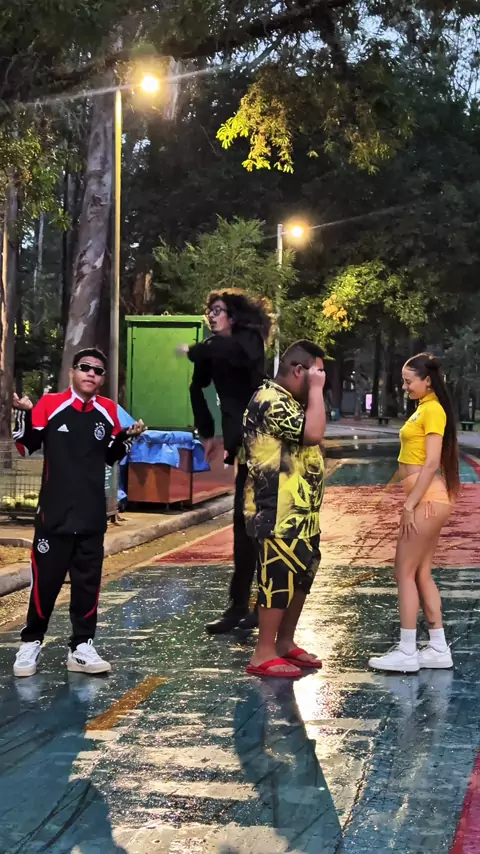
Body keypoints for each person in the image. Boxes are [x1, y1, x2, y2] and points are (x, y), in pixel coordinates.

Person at [12, 347, 146, 678]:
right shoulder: (50, 405)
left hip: (90, 516)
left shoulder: (108, 411)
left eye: (98, 371)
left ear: (102, 379)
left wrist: (127, 438)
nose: (91, 374)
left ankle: (81, 647)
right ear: (73, 371)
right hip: (54, 516)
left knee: (88, 585)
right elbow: (25, 445)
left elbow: (110, 456)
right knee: (45, 584)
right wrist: (23, 414)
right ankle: (31, 642)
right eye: (85, 367)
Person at [178, 289, 272, 635]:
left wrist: (196, 350)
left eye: (218, 310)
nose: (211, 316)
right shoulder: (212, 348)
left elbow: (237, 356)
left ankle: (265, 606)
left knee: (264, 528)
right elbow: (197, 387)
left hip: (267, 443)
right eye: (210, 310)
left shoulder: (249, 341)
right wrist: (206, 432)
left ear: (233, 316)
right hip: (242, 447)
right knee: (241, 528)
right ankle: (237, 607)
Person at [369, 352, 460, 673]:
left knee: (403, 572)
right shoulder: (424, 408)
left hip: (427, 502)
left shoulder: (432, 410)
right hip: (429, 500)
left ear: (428, 381)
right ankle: (437, 647)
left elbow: (432, 462)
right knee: (420, 572)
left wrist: (409, 505)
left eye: (409, 381)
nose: (405, 386)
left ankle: (407, 651)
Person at [242, 339, 326, 677]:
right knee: (277, 579)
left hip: (301, 515)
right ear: (298, 370)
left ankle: (284, 642)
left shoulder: (290, 401)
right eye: (317, 374)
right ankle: (263, 652)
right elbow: (313, 433)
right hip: (276, 512)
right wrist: (316, 390)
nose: (320, 381)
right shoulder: (270, 400)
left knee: (300, 578)